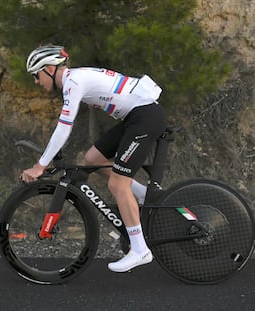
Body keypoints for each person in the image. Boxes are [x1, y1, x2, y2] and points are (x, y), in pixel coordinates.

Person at [20, 45, 167, 272]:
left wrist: (41, 165)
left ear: (49, 69)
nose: (36, 82)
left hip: (144, 115)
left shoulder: (73, 82)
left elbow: (63, 128)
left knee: (117, 184)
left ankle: (140, 250)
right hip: (136, 115)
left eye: (36, 75)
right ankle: (140, 193)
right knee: (92, 158)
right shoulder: (75, 78)